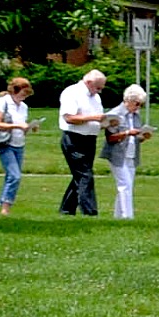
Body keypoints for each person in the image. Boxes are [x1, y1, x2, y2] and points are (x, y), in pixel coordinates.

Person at [55, 69, 107, 216]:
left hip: (90, 139)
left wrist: (107, 122)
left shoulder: (95, 98)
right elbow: (69, 118)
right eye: (98, 87)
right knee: (85, 175)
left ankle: (66, 209)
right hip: (74, 138)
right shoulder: (72, 93)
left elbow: (97, 118)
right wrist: (94, 118)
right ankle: (89, 211)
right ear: (88, 82)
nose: (99, 91)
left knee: (80, 175)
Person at [0, 75, 33, 212]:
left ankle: (3, 203)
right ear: (15, 90)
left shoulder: (23, 106)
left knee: (11, 176)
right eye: (23, 93)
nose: (25, 96)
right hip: (4, 142)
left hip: (19, 143)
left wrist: (28, 127)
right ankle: (6, 207)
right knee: (15, 175)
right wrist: (18, 126)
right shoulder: (2, 102)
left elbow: (21, 127)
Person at [105, 83, 153, 218]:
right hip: (117, 154)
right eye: (137, 104)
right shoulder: (114, 114)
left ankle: (118, 215)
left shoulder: (136, 115)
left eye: (141, 105)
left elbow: (136, 136)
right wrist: (127, 133)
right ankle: (128, 216)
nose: (139, 107)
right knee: (124, 184)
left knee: (127, 185)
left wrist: (142, 136)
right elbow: (111, 138)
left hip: (132, 153)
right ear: (128, 101)